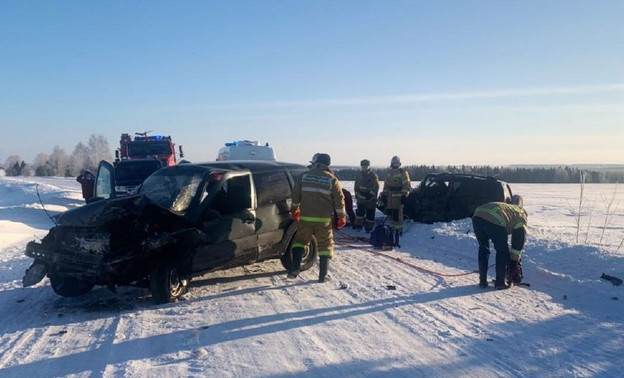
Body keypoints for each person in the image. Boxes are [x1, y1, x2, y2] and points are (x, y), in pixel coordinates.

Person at [290, 153, 346, 283]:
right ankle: (323, 275)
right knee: (325, 246)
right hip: (323, 220)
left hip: (306, 217)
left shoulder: (304, 176)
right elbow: (339, 199)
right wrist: (341, 216)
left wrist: (295, 209)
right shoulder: (332, 179)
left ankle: (295, 269)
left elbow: (295, 195)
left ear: (316, 163)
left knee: (300, 241)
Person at [472, 195, 527, 289]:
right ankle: (500, 283)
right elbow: (518, 241)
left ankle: (483, 281)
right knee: (502, 251)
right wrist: (514, 260)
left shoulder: (507, 208)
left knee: (483, 247)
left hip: (477, 216)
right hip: (495, 219)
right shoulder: (521, 214)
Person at [380, 156, 411, 246]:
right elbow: (386, 185)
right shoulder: (389, 173)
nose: (395, 164)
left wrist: (404, 195)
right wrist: (384, 195)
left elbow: (407, 185)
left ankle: (398, 232)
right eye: (394, 163)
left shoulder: (403, 172)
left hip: (398, 197)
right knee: (391, 215)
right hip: (390, 198)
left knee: (398, 215)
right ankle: (391, 232)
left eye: (397, 163)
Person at [353, 159, 380, 233]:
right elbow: (356, 186)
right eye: (363, 166)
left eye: (366, 166)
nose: (365, 168)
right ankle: (358, 227)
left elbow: (376, 187)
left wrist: (370, 195)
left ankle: (369, 228)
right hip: (361, 198)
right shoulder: (359, 175)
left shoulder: (373, 176)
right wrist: (357, 194)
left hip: (370, 199)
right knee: (360, 213)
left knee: (370, 214)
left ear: (368, 166)